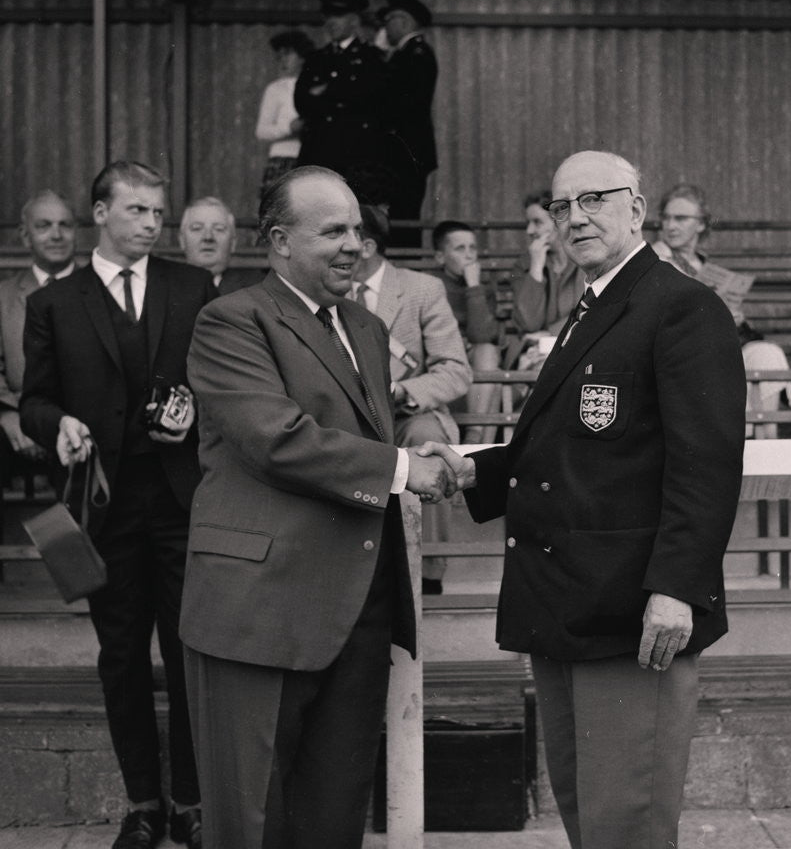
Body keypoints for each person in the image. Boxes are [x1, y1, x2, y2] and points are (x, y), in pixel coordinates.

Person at [422, 150, 746, 849]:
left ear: (637, 206)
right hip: (568, 605)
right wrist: (468, 467)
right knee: (587, 813)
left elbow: (708, 465)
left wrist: (676, 589)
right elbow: (564, 447)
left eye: (593, 200)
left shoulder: (681, 306)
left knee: (626, 820)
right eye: (563, 207)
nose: (575, 218)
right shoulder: (594, 306)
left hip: (633, 614)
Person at [179, 167, 454, 849]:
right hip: (259, 611)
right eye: (333, 230)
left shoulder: (361, 322)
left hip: (355, 610)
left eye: (358, 229)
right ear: (278, 241)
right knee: (252, 824)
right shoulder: (229, 322)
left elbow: (372, 416)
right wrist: (402, 468)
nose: (353, 244)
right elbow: (277, 439)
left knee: (333, 821)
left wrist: (421, 432)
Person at [20, 161, 214, 849]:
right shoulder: (53, 304)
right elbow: (35, 401)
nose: (151, 224)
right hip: (103, 506)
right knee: (121, 654)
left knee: (192, 651)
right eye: (136, 211)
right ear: (100, 213)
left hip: (180, 498)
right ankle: (142, 805)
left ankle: (191, 802)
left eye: (158, 214)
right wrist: (59, 426)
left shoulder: (192, 287)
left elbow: (219, 382)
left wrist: (194, 413)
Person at [352, 206, 471, 594]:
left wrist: (404, 392)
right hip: (346, 417)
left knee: (427, 439)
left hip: (404, 414)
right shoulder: (324, 291)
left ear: (366, 245)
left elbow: (456, 370)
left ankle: (427, 571)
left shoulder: (422, 289)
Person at [652, 183, 791, 438]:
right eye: (666, 218)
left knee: (767, 353)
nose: (670, 225)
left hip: (719, 345)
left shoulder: (706, 265)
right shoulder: (653, 261)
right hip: (680, 350)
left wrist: (736, 317)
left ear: (701, 224)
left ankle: (768, 444)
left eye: (681, 218)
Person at [0, 190, 77, 481]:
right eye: (43, 226)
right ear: (24, 235)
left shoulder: (101, 290)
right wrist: (7, 416)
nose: (56, 235)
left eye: (65, 225)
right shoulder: (3, 296)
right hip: (17, 418)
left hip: (88, 422)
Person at [294, 0, 393, 206]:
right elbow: (301, 102)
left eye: (337, 16)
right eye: (328, 16)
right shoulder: (317, 58)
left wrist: (324, 92)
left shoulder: (371, 58)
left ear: (354, 20)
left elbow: (369, 99)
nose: (331, 22)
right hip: (319, 152)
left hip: (356, 155)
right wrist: (341, 93)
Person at [431, 219, 502, 444]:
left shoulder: (481, 289)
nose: (469, 255)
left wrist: (473, 287)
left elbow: (483, 336)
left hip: (475, 378)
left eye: (473, 248)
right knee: (496, 385)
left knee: (488, 352)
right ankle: (478, 447)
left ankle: (474, 436)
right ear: (441, 257)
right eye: (460, 249)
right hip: (443, 374)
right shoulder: (431, 285)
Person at [376, 0, 439, 229]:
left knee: (404, 213)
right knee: (397, 212)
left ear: (404, 21)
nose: (385, 28)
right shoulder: (405, 54)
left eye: (389, 20)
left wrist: (381, 58)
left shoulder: (416, 54)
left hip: (408, 149)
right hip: (401, 149)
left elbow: (399, 99)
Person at [506, 188, 581, 370]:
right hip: (531, 350)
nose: (529, 230)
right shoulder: (523, 264)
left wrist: (550, 333)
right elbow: (528, 323)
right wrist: (536, 266)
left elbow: (590, 312)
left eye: (537, 222)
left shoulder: (584, 260)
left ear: (560, 223)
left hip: (574, 344)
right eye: (528, 223)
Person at [254, 29, 315, 201]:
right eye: (279, 56)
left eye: (288, 54)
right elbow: (261, 131)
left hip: (310, 158)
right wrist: (289, 127)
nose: (282, 60)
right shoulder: (276, 89)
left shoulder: (315, 86)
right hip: (282, 160)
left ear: (302, 57)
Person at [178, 196, 263, 294]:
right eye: (197, 228)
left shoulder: (258, 289)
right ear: (182, 240)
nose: (208, 237)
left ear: (233, 243)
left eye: (219, 229)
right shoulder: (164, 288)